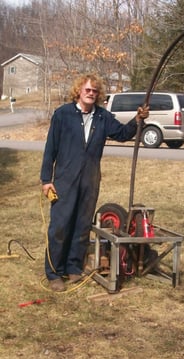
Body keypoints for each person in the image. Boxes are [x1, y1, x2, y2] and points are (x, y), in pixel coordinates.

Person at [40, 73, 149, 292]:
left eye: (95, 91)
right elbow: (50, 148)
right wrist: (46, 180)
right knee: (60, 226)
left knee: (82, 226)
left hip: (90, 180)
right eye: (87, 90)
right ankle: (54, 272)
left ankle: (73, 267)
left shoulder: (102, 117)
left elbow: (121, 134)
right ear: (79, 91)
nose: (91, 94)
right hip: (64, 179)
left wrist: (137, 120)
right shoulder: (63, 114)